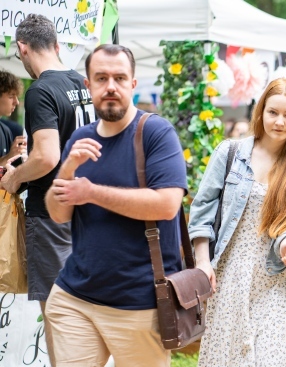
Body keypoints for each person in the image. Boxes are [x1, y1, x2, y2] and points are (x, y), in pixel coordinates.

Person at [44, 44, 187, 366]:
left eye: (120, 78)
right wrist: (68, 168)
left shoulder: (155, 132)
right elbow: (57, 213)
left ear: (133, 84)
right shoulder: (80, 137)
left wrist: (91, 192)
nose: (111, 86)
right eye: (102, 78)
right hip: (74, 298)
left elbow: (166, 205)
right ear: (88, 85)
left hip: (138, 304)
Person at [189, 78, 286, 367]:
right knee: (230, 358)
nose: (280, 121)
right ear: (260, 112)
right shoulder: (231, 153)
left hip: (277, 278)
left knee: (273, 359)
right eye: (273, 112)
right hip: (231, 273)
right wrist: (203, 261)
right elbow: (203, 207)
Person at [0, 14, 95, 365]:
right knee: (83, 311)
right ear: (56, 45)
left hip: (52, 214)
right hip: (86, 211)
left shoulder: (40, 90)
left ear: (22, 48)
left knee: (58, 314)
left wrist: (14, 178)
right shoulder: (82, 82)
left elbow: (46, 156)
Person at [0, 69, 26, 166]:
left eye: (17, 97)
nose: (17, 102)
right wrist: (9, 156)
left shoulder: (5, 130)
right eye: (11, 97)